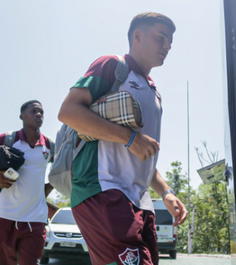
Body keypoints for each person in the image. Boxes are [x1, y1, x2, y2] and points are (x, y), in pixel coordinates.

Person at [58, 12, 188, 265]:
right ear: (137, 36)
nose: (167, 46)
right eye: (161, 38)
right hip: (103, 190)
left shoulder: (154, 91)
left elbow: (141, 153)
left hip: (139, 201)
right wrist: (130, 138)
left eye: (170, 42)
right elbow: (68, 112)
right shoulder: (112, 66)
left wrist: (166, 192)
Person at [0, 100, 54, 265]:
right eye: (34, 111)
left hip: (35, 220)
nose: (39, 114)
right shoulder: (7, 139)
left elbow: (62, 170)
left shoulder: (50, 145)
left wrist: (47, 188)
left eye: (41, 112)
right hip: (4, 217)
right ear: (21, 116)